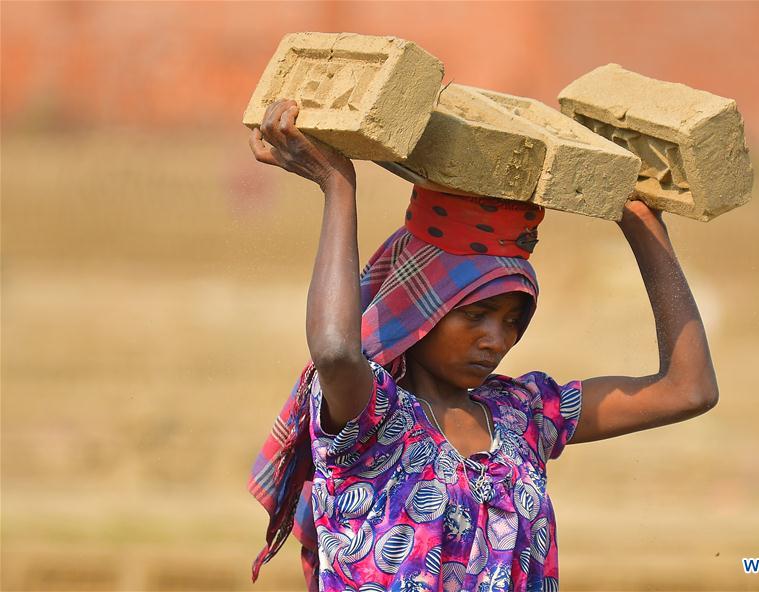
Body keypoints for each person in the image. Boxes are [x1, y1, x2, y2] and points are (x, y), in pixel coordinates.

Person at [246, 99, 719, 591]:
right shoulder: (372, 417)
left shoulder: (524, 414)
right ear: (421, 306)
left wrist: (639, 222)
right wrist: (338, 187)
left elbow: (689, 389)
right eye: (475, 315)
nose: (497, 339)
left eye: (514, 319)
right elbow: (336, 351)